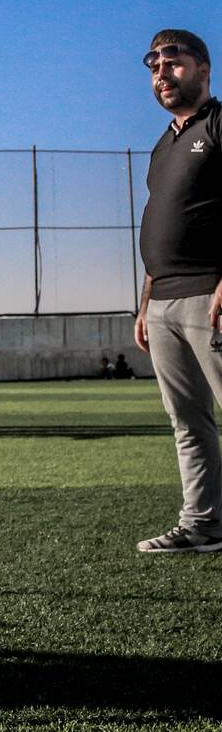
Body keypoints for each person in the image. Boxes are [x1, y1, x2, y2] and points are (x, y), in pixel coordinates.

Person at [135, 29, 222, 553]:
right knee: (187, 423)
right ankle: (204, 525)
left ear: (205, 69)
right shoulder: (163, 144)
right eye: (153, 67)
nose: (162, 74)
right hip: (163, 301)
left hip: (209, 295)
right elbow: (157, 223)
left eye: (173, 62)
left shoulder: (219, 124)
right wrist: (146, 304)